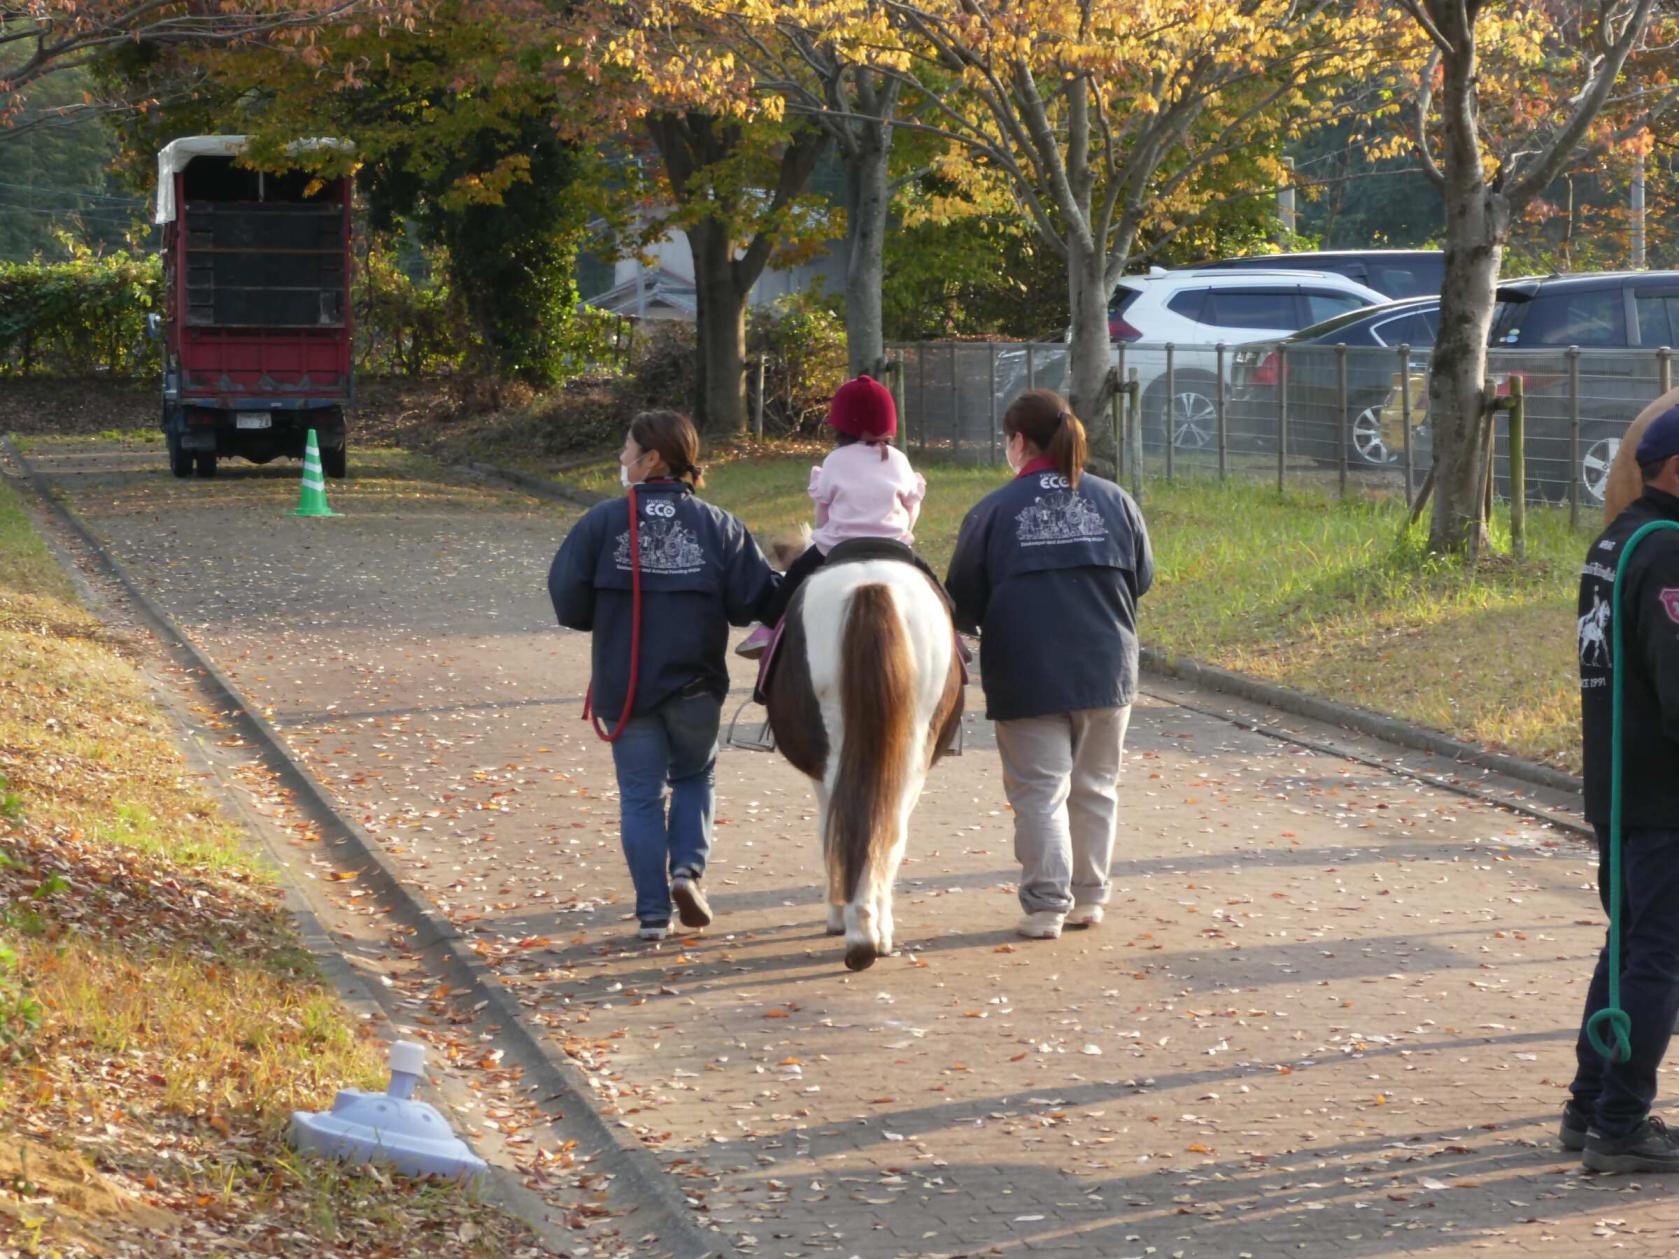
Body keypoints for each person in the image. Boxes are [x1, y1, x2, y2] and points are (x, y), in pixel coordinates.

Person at [548, 410, 780, 942]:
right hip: (696, 688)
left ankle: (653, 915)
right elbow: (753, 600)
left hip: (624, 688)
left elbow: (568, 600)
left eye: (627, 449)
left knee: (640, 795)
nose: (621, 459)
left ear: (652, 458)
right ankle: (687, 872)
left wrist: (604, 613)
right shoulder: (719, 525)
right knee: (695, 776)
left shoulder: (601, 522)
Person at [944, 389, 1153, 941]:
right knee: (1096, 787)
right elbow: (1142, 577)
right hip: (1107, 668)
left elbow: (962, 598)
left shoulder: (993, 510)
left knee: (1040, 792)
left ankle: (1045, 907)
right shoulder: (1116, 501)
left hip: (1026, 670)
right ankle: (1089, 899)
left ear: (1018, 442)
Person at [1567, 403, 1679, 1172]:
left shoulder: (1613, 540)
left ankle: (1586, 1105)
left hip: (1619, 786)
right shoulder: (1667, 551)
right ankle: (1619, 1123)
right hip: (1661, 797)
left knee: (1628, 948)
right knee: (1659, 958)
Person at [736, 374, 928, 657]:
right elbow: (913, 508)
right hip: (893, 547)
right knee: (931, 581)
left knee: (796, 577)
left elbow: (822, 513)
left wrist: (822, 537)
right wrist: (901, 532)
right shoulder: (899, 460)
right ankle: (954, 634)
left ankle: (768, 628)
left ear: (842, 425)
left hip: (837, 548)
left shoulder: (834, 461)